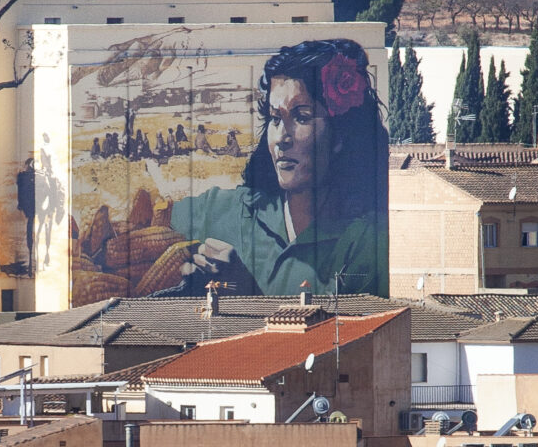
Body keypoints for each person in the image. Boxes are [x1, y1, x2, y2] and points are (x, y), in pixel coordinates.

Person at [165, 39, 388, 296]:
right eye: (275, 118)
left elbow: (344, 334)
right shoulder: (227, 209)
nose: (282, 137)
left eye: (302, 117)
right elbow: (139, 231)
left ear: (339, 135)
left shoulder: (367, 241)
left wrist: (245, 291)